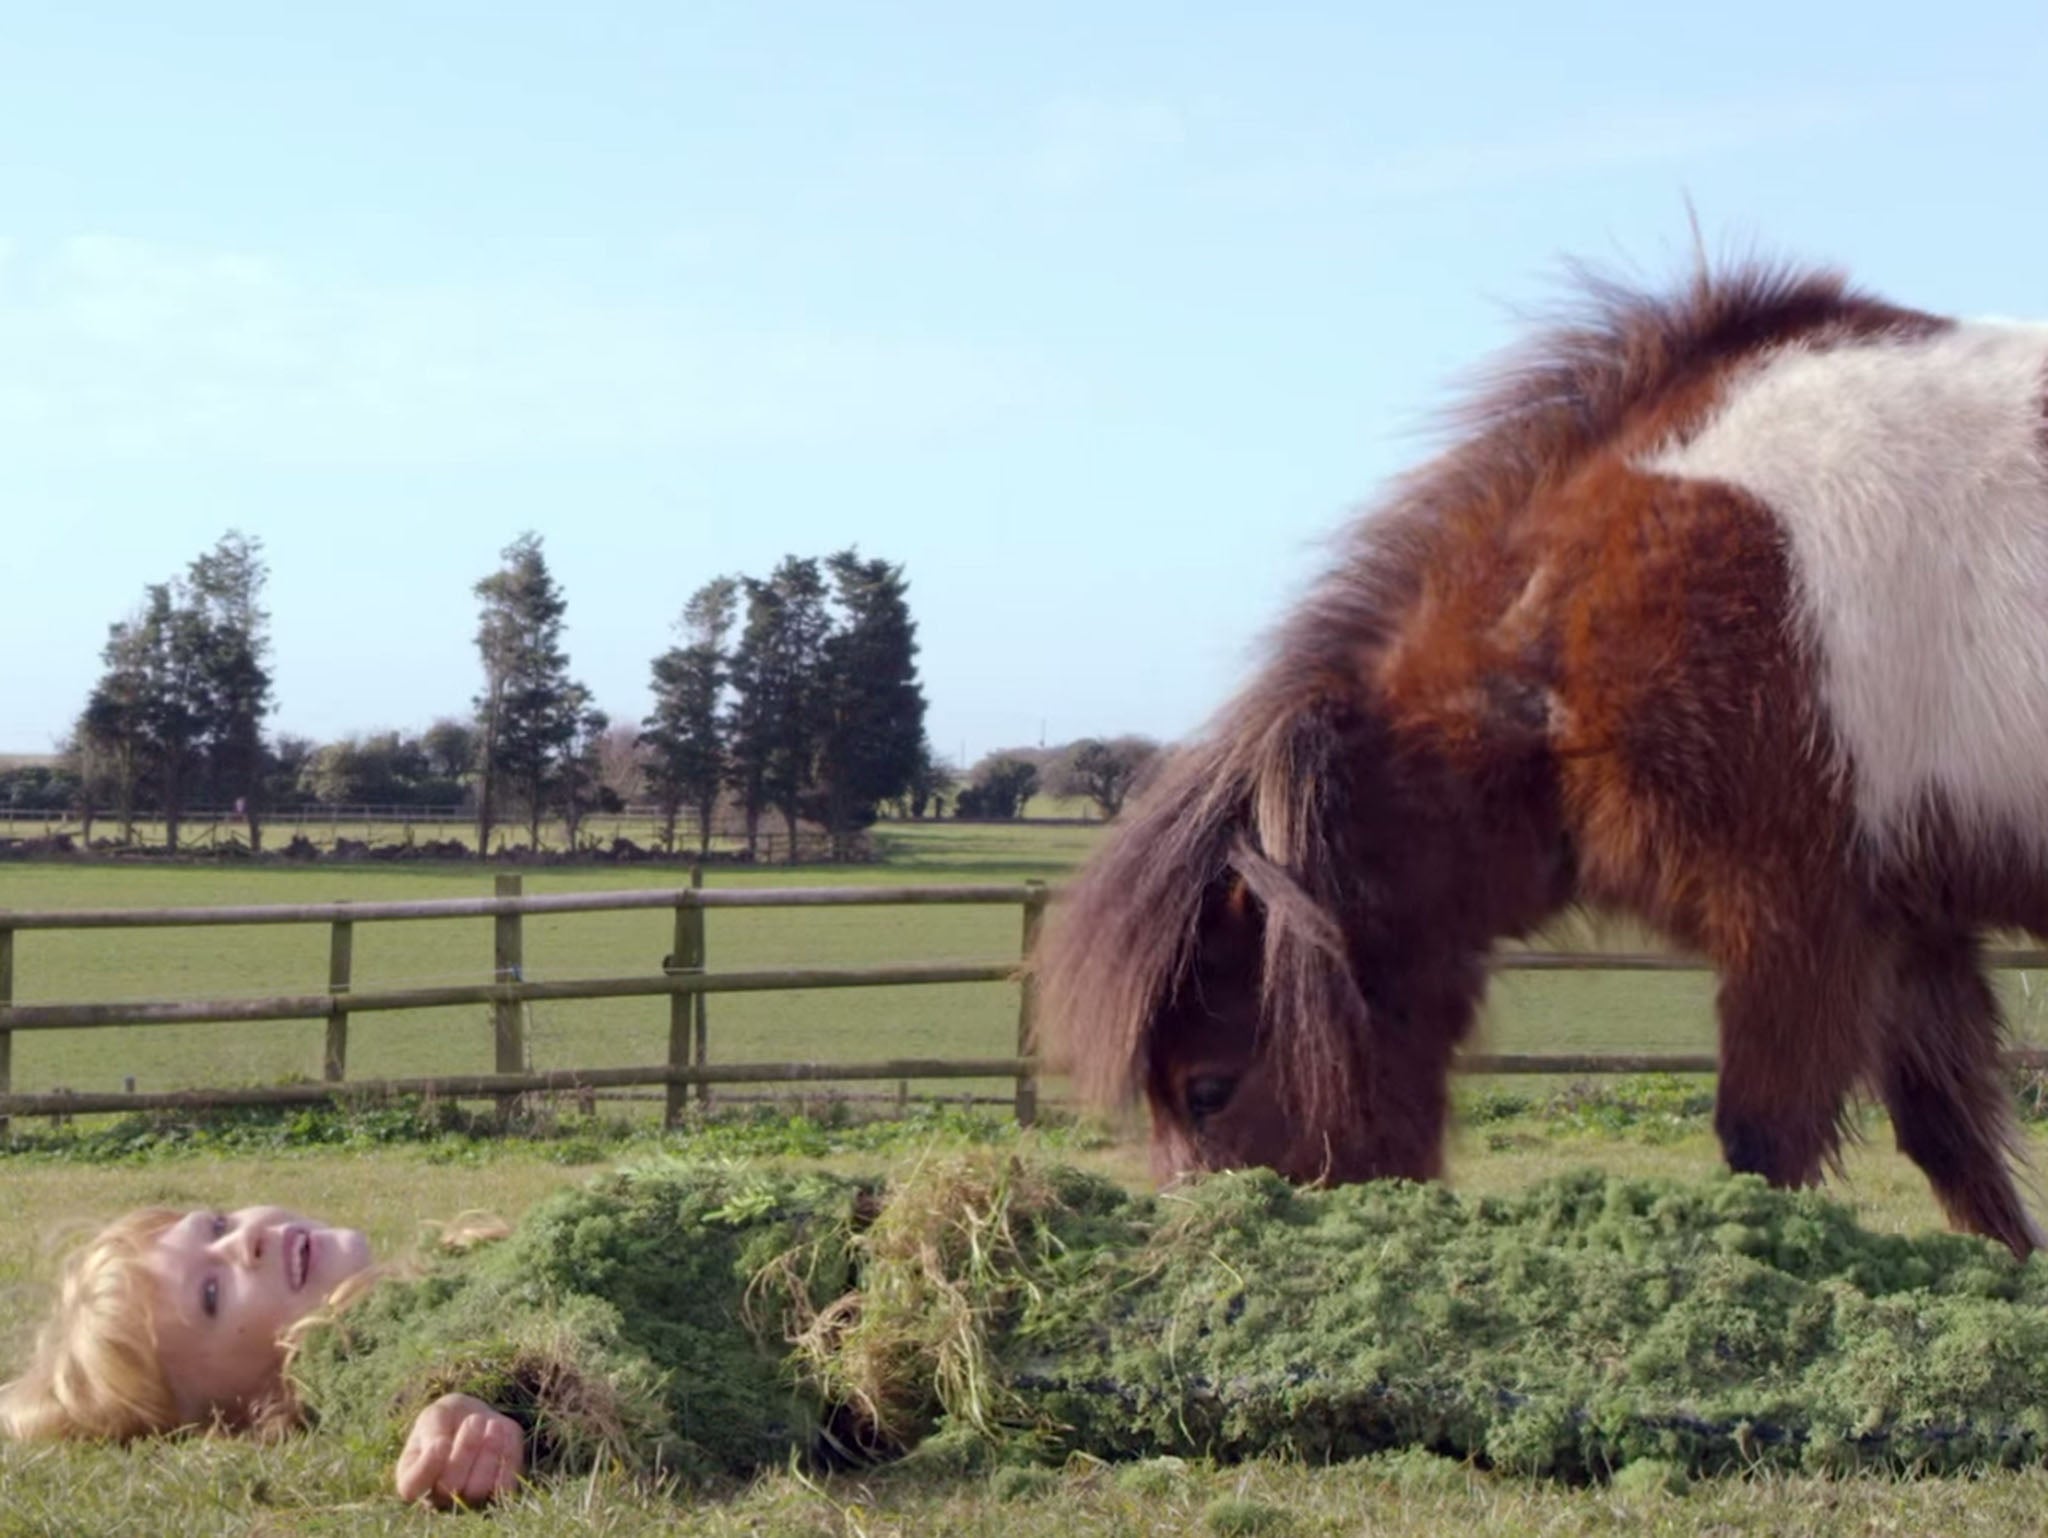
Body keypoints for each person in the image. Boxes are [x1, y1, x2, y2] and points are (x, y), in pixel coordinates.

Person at [0, 1201, 528, 1507]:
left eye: (218, 1225)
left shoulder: (442, 1267)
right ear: (237, 1411)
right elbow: (389, 1383)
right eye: (212, 1294)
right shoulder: (361, 1365)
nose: (245, 1241)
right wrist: (461, 1402)